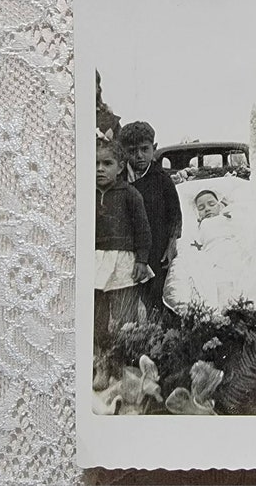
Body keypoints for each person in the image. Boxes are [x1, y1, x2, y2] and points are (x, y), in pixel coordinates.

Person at [94, 135, 152, 388]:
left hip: (123, 261)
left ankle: (126, 364)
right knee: (97, 319)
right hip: (96, 260)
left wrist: (141, 260)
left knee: (126, 318)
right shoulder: (88, 193)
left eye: (107, 164)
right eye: (95, 164)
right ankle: (103, 362)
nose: (99, 169)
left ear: (120, 166)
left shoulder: (130, 194)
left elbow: (143, 230)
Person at [119, 121, 182, 316]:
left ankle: (158, 334)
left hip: (157, 248)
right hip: (128, 248)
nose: (139, 156)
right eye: (132, 150)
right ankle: (132, 334)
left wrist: (172, 243)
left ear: (154, 149)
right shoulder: (119, 179)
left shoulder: (161, 179)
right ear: (123, 152)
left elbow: (175, 214)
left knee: (155, 298)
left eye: (144, 149)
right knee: (128, 297)